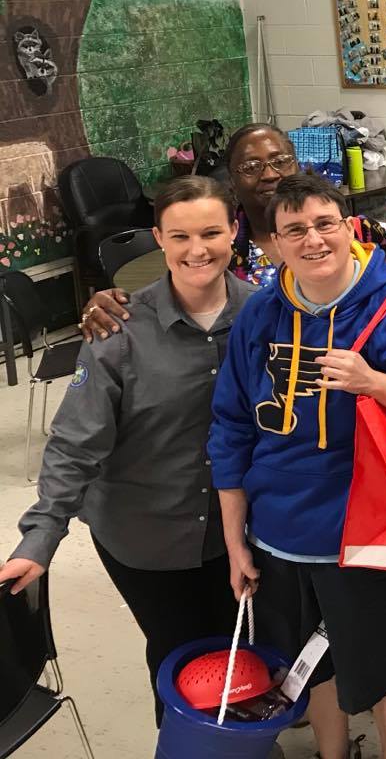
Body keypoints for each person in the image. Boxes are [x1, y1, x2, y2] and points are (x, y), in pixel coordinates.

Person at [209, 173, 386, 759]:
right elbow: (230, 429)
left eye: (325, 223)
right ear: (272, 245)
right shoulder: (258, 316)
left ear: (349, 227)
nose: (313, 240)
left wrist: (373, 382)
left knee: (383, 665)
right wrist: (236, 541)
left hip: (370, 535)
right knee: (310, 666)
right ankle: (334, 754)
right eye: (294, 230)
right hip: (279, 532)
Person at [0, 177, 251, 726]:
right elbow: (74, 443)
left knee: (237, 650)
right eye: (180, 236)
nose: (197, 249)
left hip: (239, 530)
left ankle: (239, 739)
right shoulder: (118, 328)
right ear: (158, 238)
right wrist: (40, 538)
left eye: (211, 232)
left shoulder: (265, 316)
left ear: (235, 230)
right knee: (181, 655)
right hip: (147, 534)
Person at [76, 123, 386, 340]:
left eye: (280, 160)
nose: (270, 174)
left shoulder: (355, 231)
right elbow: (176, 295)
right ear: (233, 180)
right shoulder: (222, 246)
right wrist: (112, 304)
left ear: (296, 164)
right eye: (251, 167)